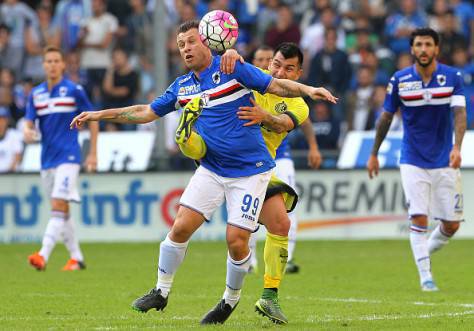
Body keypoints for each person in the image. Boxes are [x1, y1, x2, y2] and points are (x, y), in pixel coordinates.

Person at [70, 20, 336, 325]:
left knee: (237, 240)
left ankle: (230, 300)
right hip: (212, 168)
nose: (185, 48)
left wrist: (310, 89)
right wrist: (99, 115)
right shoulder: (181, 87)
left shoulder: (233, 69)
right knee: (180, 226)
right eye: (181, 44)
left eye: (191, 42)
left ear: (207, 42)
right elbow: (146, 112)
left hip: (250, 171)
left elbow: (276, 85)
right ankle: (160, 290)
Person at [177, 42, 323, 323]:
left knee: (280, 224)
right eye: (276, 64)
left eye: (289, 68)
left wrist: (264, 116)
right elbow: (228, 65)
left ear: (298, 73)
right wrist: (230, 53)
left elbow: (282, 124)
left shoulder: (297, 103)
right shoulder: (254, 79)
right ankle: (168, 286)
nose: (280, 70)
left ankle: (269, 296)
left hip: (258, 168)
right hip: (225, 163)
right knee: (197, 230)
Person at [367, 28, 466, 292]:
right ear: (412, 49)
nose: (423, 49)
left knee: (452, 225)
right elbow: (386, 117)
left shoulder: (453, 77)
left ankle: (423, 254)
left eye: (428, 44)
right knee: (419, 218)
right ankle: (426, 276)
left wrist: (457, 147)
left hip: (445, 159)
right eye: (419, 44)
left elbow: (459, 114)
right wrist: (374, 153)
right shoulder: (399, 80)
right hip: (411, 159)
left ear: (436, 49)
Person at [25, 46, 98, 271]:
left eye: (57, 60)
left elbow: (93, 119)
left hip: (69, 157)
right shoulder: (35, 94)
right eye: (49, 61)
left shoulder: (74, 90)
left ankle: (43, 254)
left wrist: (93, 153)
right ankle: (77, 257)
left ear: (63, 65)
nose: (53, 64)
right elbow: (29, 122)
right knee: (61, 210)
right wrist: (27, 131)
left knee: (58, 204)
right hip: (46, 159)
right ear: (44, 65)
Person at [0, 107, 22, 172]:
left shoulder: (14, 135)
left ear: (7, 120)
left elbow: (18, 156)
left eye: (3, 119)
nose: (1, 122)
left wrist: (9, 173)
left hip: (10, 175)